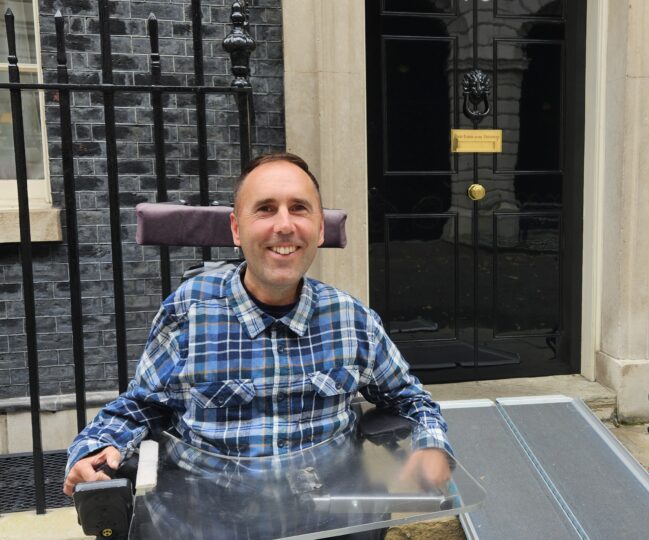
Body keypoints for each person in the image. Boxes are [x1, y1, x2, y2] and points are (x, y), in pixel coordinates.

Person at [63, 153, 452, 506]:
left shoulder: (351, 319)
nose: (284, 225)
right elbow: (139, 407)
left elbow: (411, 400)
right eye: (265, 209)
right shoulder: (188, 312)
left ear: (319, 228)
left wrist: (431, 446)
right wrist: (93, 450)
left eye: (299, 209)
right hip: (212, 518)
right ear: (236, 228)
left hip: (326, 517)